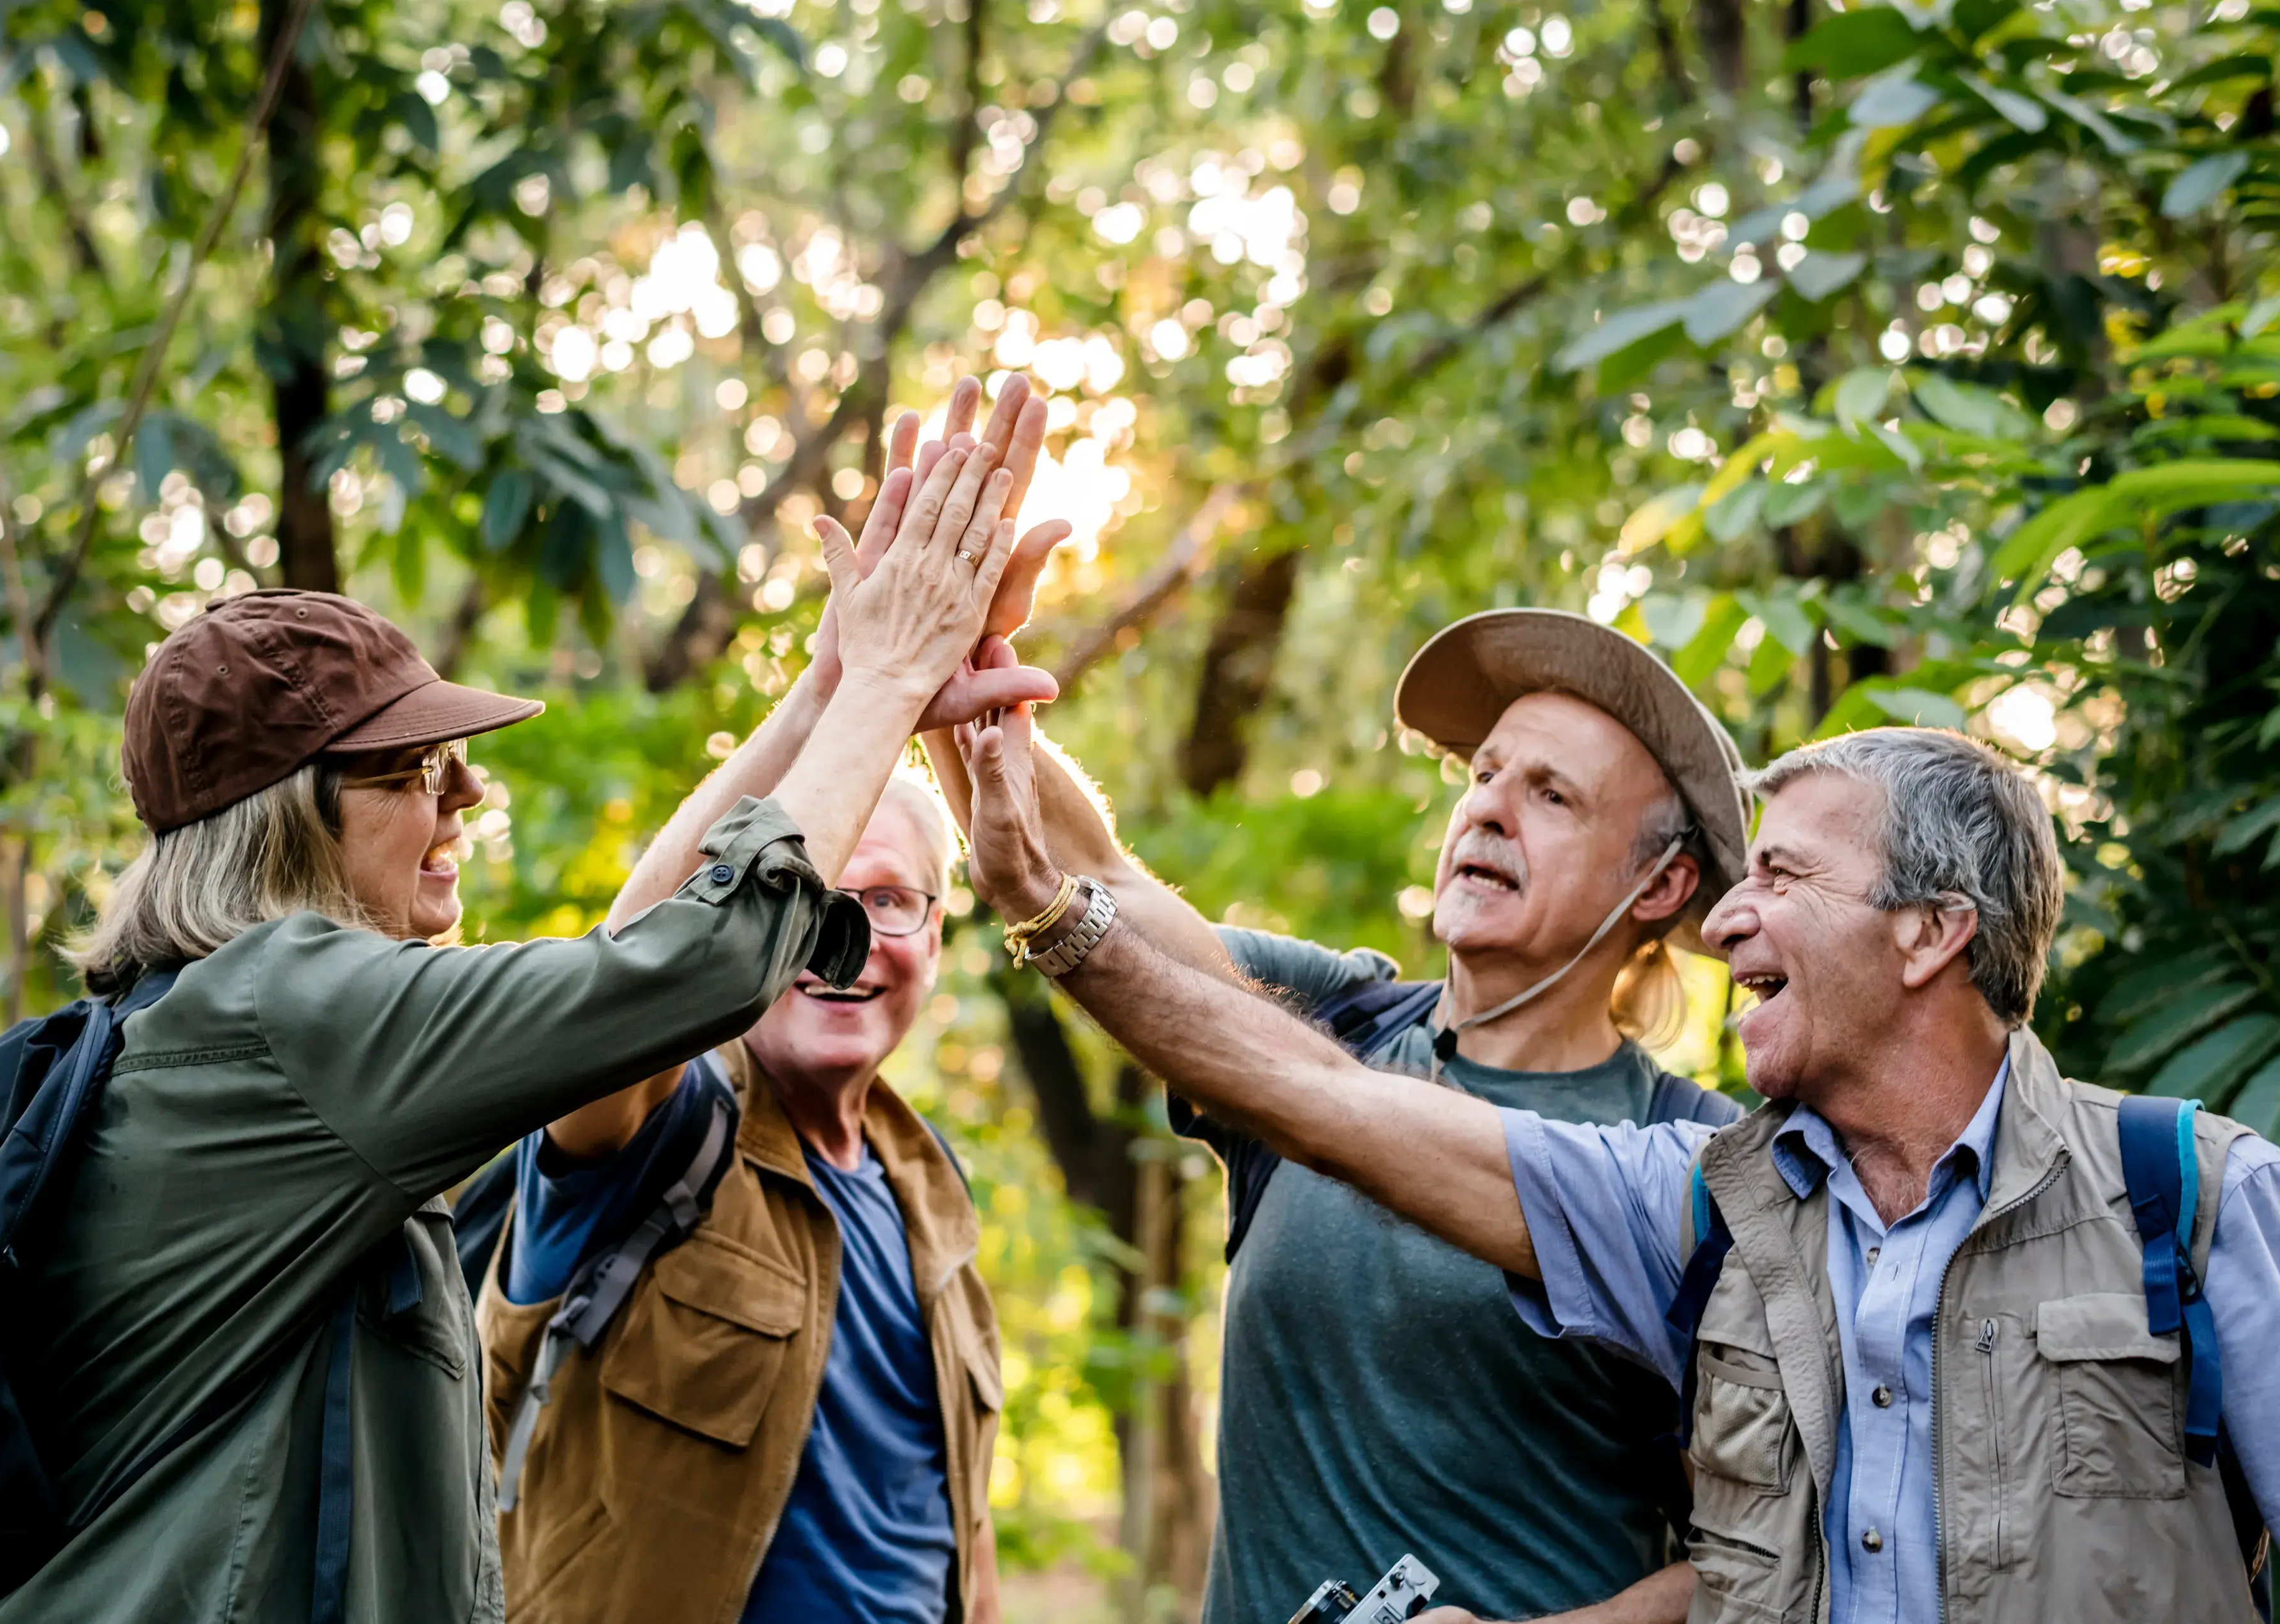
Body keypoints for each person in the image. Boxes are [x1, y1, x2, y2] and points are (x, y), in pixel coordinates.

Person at [0, 422, 1032, 1624]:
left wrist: (831, 688)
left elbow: (626, 976)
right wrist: (888, 685)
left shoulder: (203, 1027)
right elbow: (699, 962)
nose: (470, 793)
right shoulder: (295, 1014)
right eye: (416, 767)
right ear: (294, 818)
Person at [958, 715, 2280, 1624]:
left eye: (1780, 874)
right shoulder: (1703, 1201)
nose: (1729, 921)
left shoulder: (2192, 1201)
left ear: (1933, 932)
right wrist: (1021, 839)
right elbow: (1301, 1082)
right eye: (1483, 773)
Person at [928, 611, 1749, 1624]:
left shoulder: (1693, 1164)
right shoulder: (1325, 1021)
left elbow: (1758, 1549)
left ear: (1660, 884)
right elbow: (1094, 883)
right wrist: (954, 678)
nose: (1489, 811)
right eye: (1485, 774)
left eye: (1552, 795)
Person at [474, 380, 1067, 1624]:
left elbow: (949, 1529)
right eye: (807, 900)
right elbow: (622, 980)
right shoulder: (654, 1133)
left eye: (888, 902)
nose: (841, 940)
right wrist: (835, 692)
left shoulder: (929, 1191)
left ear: (942, 940)